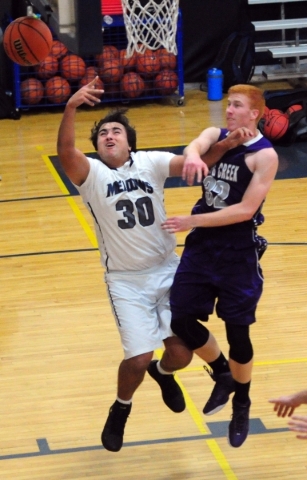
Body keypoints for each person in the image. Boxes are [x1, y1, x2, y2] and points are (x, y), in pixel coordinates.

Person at [56, 77, 233, 453]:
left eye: (116, 131)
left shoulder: (151, 162)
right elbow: (66, 149)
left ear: (129, 141)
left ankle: (164, 373)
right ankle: (121, 409)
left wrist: (230, 142)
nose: (109, 136)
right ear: (98, 146)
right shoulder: (90, 174)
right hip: (125, 281)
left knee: (181, 354)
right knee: (137, 359)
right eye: (103, 133)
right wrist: (71, 106)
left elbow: (196, 162)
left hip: (167, 271)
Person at [161, 84, 279, 448]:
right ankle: (223, 374)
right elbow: (195, 148)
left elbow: (245, 210)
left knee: (238, 334)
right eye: (228, 104)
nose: (229, 110)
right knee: (179, 318)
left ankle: (241, 403)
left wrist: (191, 221)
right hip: (202, 249)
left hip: (237, 252)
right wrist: (197, 154)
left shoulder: (265, 156)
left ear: (254, 114)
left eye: (237, 106)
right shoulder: (219, 135)